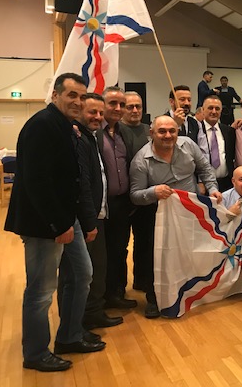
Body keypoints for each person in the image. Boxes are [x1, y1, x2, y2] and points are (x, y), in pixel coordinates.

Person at [5, 73, 103, 372]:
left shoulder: (66, 126)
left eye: (82, 96)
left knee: (82, 275)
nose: (78, 101)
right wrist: (58, 225)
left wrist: (79, 220)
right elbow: (37, 181)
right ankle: (35, 353)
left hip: (67, 217)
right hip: (44, 223)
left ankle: (70, 336)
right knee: (41, 290)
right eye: (72, 95)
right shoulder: (42, 125)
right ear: (56, 95)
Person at [130, 115, 221, 318]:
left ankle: (189, 290)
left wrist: (213, 188)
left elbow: (205, 169)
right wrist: (153, 192)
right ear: (151, 133)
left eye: (172, 131)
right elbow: (135, 195)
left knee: (190, 251)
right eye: (162, 131)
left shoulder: (188, 145)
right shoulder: (141, 160)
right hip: (159, 215)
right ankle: (154, 299)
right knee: (157, 257)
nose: (168, 135)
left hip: (190, 211)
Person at [75, 93, 123, 331]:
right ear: (79, 111)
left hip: (99, 214)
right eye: (92, 112)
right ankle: (78, 324)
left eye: (100, 113)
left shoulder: (91, 137)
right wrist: (89, 220)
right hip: (87, 218)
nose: (97, 116)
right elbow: (81, 183)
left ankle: (93, 313)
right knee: (81, 273)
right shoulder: (77, 139)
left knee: (98, 267)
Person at [99, 86, 137, 310]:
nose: (118, 108)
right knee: (101, 253)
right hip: (101, 205)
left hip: (121, 203)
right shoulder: (93, 131)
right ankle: (100, 296)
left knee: (119, 250)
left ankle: (117, 292)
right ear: (102, 104)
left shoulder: (124, 132)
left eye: (122, 104)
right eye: (112, 103)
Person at [120, 91, 154, 294]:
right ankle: (117, 290)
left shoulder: (150, 130)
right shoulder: (116, 130)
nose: (134, 110)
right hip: (121, 199)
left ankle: (142, 281)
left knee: (145, 242)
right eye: (130, 106)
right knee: (120, 246)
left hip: (146, 197)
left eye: (138, 106)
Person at [198, 96, 236, 191]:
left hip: (226, 183)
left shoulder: (229, 131)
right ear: (203, 110)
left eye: (217, 109)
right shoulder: (196, 130)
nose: (214, 111)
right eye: (210, 108)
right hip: (204, 185)